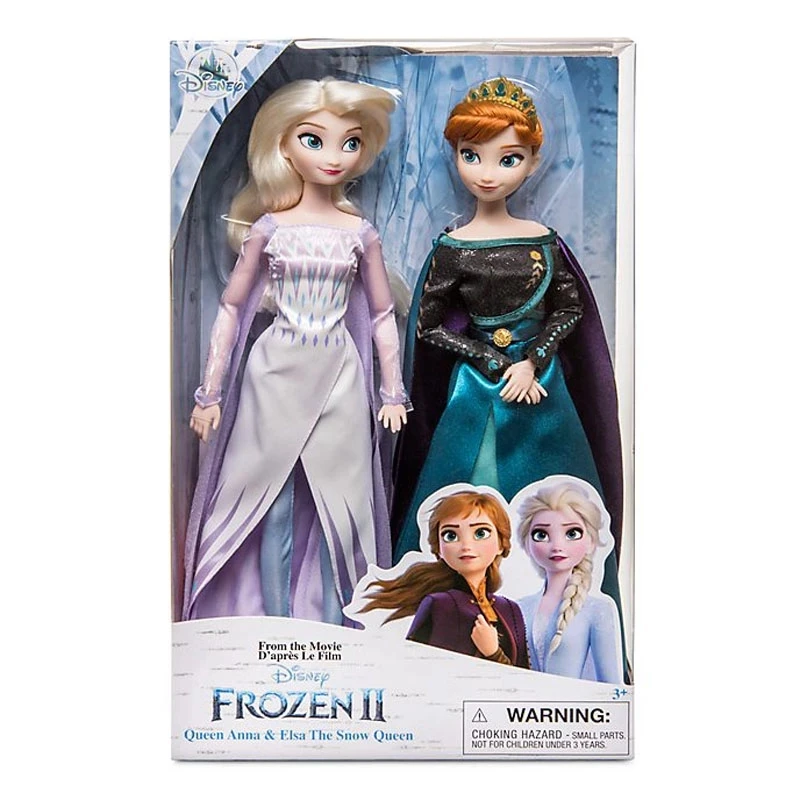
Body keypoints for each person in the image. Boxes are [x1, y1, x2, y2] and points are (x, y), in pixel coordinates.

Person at [391, 77, 624, 625]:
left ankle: (552, 607)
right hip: (476, 387)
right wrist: (496, 362)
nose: (488, 173)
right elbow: (429, 327)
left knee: (551, 492)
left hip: (541, 388)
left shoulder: (541, 240)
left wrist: (533, 360)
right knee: (469, 484)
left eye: (509, 158)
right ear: (454, 155)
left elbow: (569, 309)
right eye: (471, 155)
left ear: (533, 162)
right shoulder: (453, 248)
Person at [183, 78, 410, 623]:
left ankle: (340, 623)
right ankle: (277, 622)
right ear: (283, 146)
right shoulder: (269, 228)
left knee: (343, 507)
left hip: (339, 372)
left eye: (349, 142)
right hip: (276, 372)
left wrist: (392, 392)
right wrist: (209, 394)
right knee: (272, 502)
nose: (333, 156)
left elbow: (382, 316)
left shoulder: (359, 232)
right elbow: (232, 308)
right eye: (314, 140)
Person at [363, 489, 529, 667]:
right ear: (439, 550)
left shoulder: (510, 609)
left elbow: (524, 674)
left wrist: (494, 653)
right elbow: (420, 669)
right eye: (451, 536)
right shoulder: (441, 605)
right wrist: (492, 654)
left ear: (501, 544)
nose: (466, 545)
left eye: (481, 533)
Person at [514, 479, 622, 683]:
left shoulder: (597, 610)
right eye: (541, 534)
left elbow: (610, 685)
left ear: (591, 541)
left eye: (572, 533)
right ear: (526, 544)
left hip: (574, 704)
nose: (557, 546)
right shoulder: (518, 607)